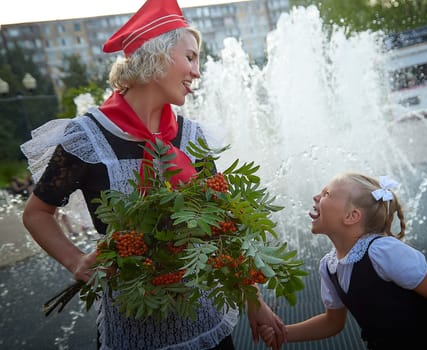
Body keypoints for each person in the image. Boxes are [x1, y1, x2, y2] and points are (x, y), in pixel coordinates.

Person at [20, 0, 285, 349]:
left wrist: (255, 302)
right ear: (157, 55)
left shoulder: (192, 137)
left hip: (205, 324)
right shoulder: (88, 137)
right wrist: (76, 262)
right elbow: (37, 214)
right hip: (132, 329)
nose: (197, 72)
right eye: (190, 57)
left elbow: (223, 227)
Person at [258, 173, 427, 349]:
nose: (316, 197)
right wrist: (285, 332)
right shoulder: (329, 267)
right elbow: (333, 322)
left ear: (352, 216)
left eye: (326, 194)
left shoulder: (382, 251)